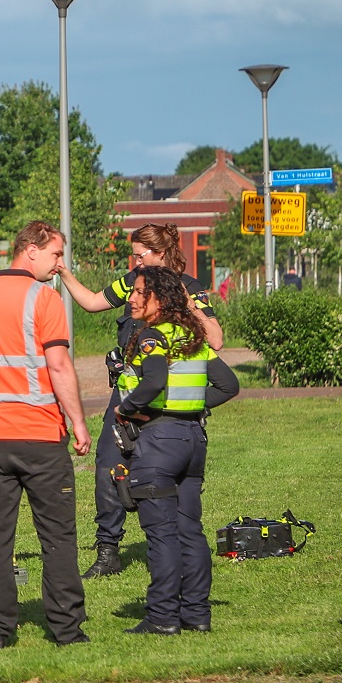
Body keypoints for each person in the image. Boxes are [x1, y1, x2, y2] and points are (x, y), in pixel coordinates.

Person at [0, 221, 92, 648]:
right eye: (56, 254)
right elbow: (59, 367)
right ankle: (66, 630)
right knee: (58, 538)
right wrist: (78, 422)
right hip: (42, 436)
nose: (59, 264)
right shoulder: (44, 299)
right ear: (31, 250)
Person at [60, 223, 222, 579]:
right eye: (132, 255)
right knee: (108, 467)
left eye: (139, 255)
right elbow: (90, 302)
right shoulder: (134, 282)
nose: (133, 262)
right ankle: (108, 552)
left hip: (165, 405)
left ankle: (172, 546)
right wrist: (63, 272)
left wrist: (185, 302)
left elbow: (216, 339)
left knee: (164, 475)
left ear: (160, 253)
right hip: (126, 397)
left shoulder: (190, 288)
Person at [112, 265, 241, 634]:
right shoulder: (191, 335)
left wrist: (125, 409)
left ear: (159, 298)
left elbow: (153, 380)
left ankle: (162, 617)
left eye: (140, 292)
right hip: (192, 441)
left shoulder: (153, 336)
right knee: (190, 530)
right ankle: (197, 615)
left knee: (162, 533)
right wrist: (193, 406)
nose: (132, 298)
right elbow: (228, 385)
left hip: (159, 442)